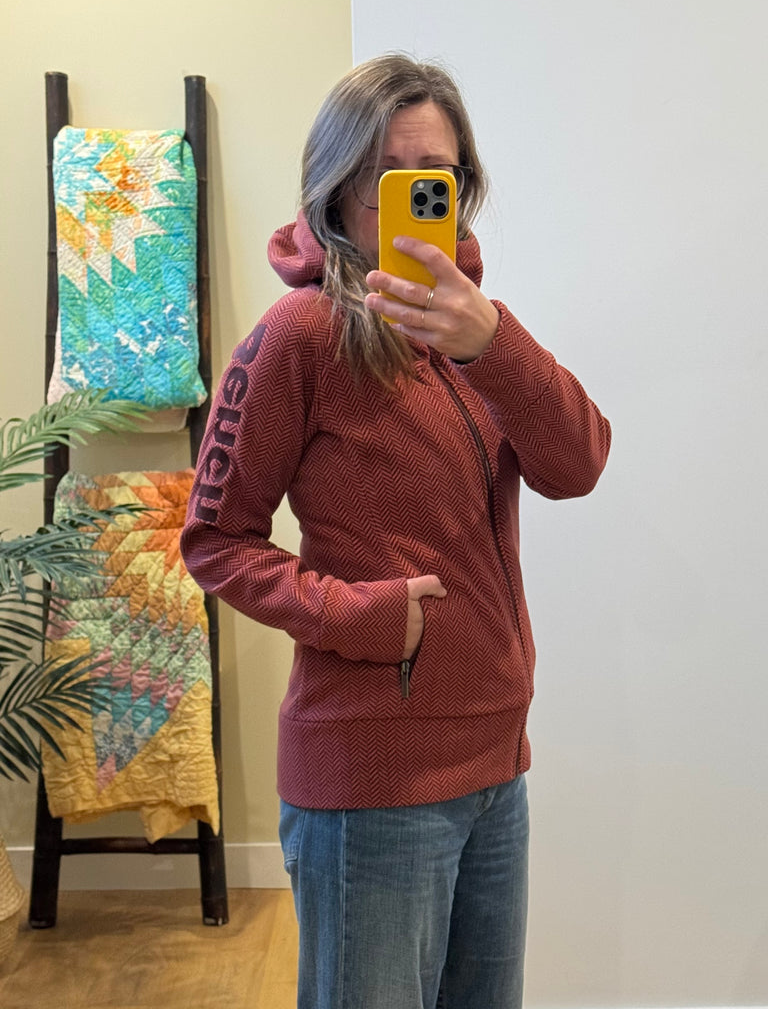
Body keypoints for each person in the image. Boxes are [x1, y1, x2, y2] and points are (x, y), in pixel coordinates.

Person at [181, 54, 611, 1009]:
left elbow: (578, 464)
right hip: (371, 784)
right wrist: (360, 617)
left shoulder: (479, 335)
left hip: (496, 768)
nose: (419, 199)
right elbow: (213, 539)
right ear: (339, 190)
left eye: (438, 178)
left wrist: (492, 343)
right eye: (391, 177)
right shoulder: (301, 335)